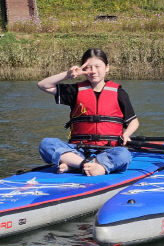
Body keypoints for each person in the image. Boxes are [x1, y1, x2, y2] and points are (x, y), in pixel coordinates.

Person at [37, 48, 139, 176]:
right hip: (78, 150)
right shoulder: (75, 91)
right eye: (89, 67)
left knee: (124, 155)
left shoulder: (119, 93)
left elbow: (133, 121)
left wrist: (126, 134)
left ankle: (75, 165)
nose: (93, 71)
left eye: (97, 66)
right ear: (83, 69)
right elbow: (42, 84)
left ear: (107, 68)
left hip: (108, 150)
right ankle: (87, 165)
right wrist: (68, 75)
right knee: (46, 144)